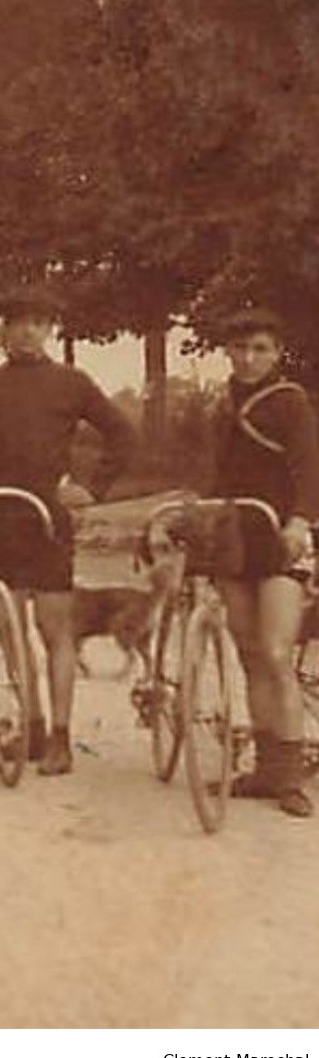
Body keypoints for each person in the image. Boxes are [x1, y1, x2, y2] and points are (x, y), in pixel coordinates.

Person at [0, 284, 136, 776]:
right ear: (4, 330)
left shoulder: (71, 383)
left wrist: (92, 488)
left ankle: (61, 736)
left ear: (49, 330)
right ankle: (31, 725)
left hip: (49, 522)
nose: (27, 331)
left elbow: (123, 434)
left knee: (54, 629)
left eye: (38, 322)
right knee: (9, 628)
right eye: (18, 321)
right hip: (0, 516)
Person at [207, 308, 316, 817]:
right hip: (234, 538)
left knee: (275, 652)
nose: (248, 358)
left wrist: (300, 523)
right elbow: (212, 477)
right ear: (227, 352)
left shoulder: (291, 403)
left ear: (276, 354)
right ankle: (267, 769)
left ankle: (292, 777)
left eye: (260, 349)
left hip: (280, 537)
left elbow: (312, 467)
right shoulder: (222, 406)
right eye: (239, 349)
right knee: (249, 650)